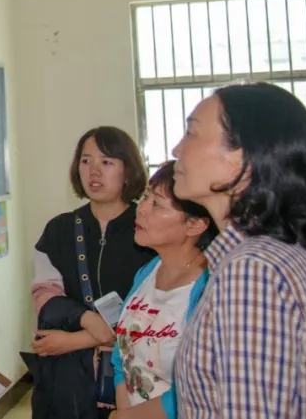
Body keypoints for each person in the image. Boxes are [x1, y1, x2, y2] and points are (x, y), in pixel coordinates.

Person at [170, 82, 306, 418]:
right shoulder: (275, 254)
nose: (176, 149)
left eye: (192, 133)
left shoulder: (253, 271)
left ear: (241, 157)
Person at [29, 127, 154, 419]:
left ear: (128, 170)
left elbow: (158, 309)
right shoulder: (58, 230)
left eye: (106, 162)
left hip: (135, 377)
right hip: (70, 382)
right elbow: (45, 296)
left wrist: (79, 339)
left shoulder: (149, 228)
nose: (93, 171)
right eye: (86, 161)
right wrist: (86, 319)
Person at [107, 161, 217, 419]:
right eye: (145, 196)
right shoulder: (148, 271)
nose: (142, 209)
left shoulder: (210, 288)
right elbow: (122, 357)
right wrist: (125, 411)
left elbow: (201, 387)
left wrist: (127, 418)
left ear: (195, 225)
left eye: (156, 204)